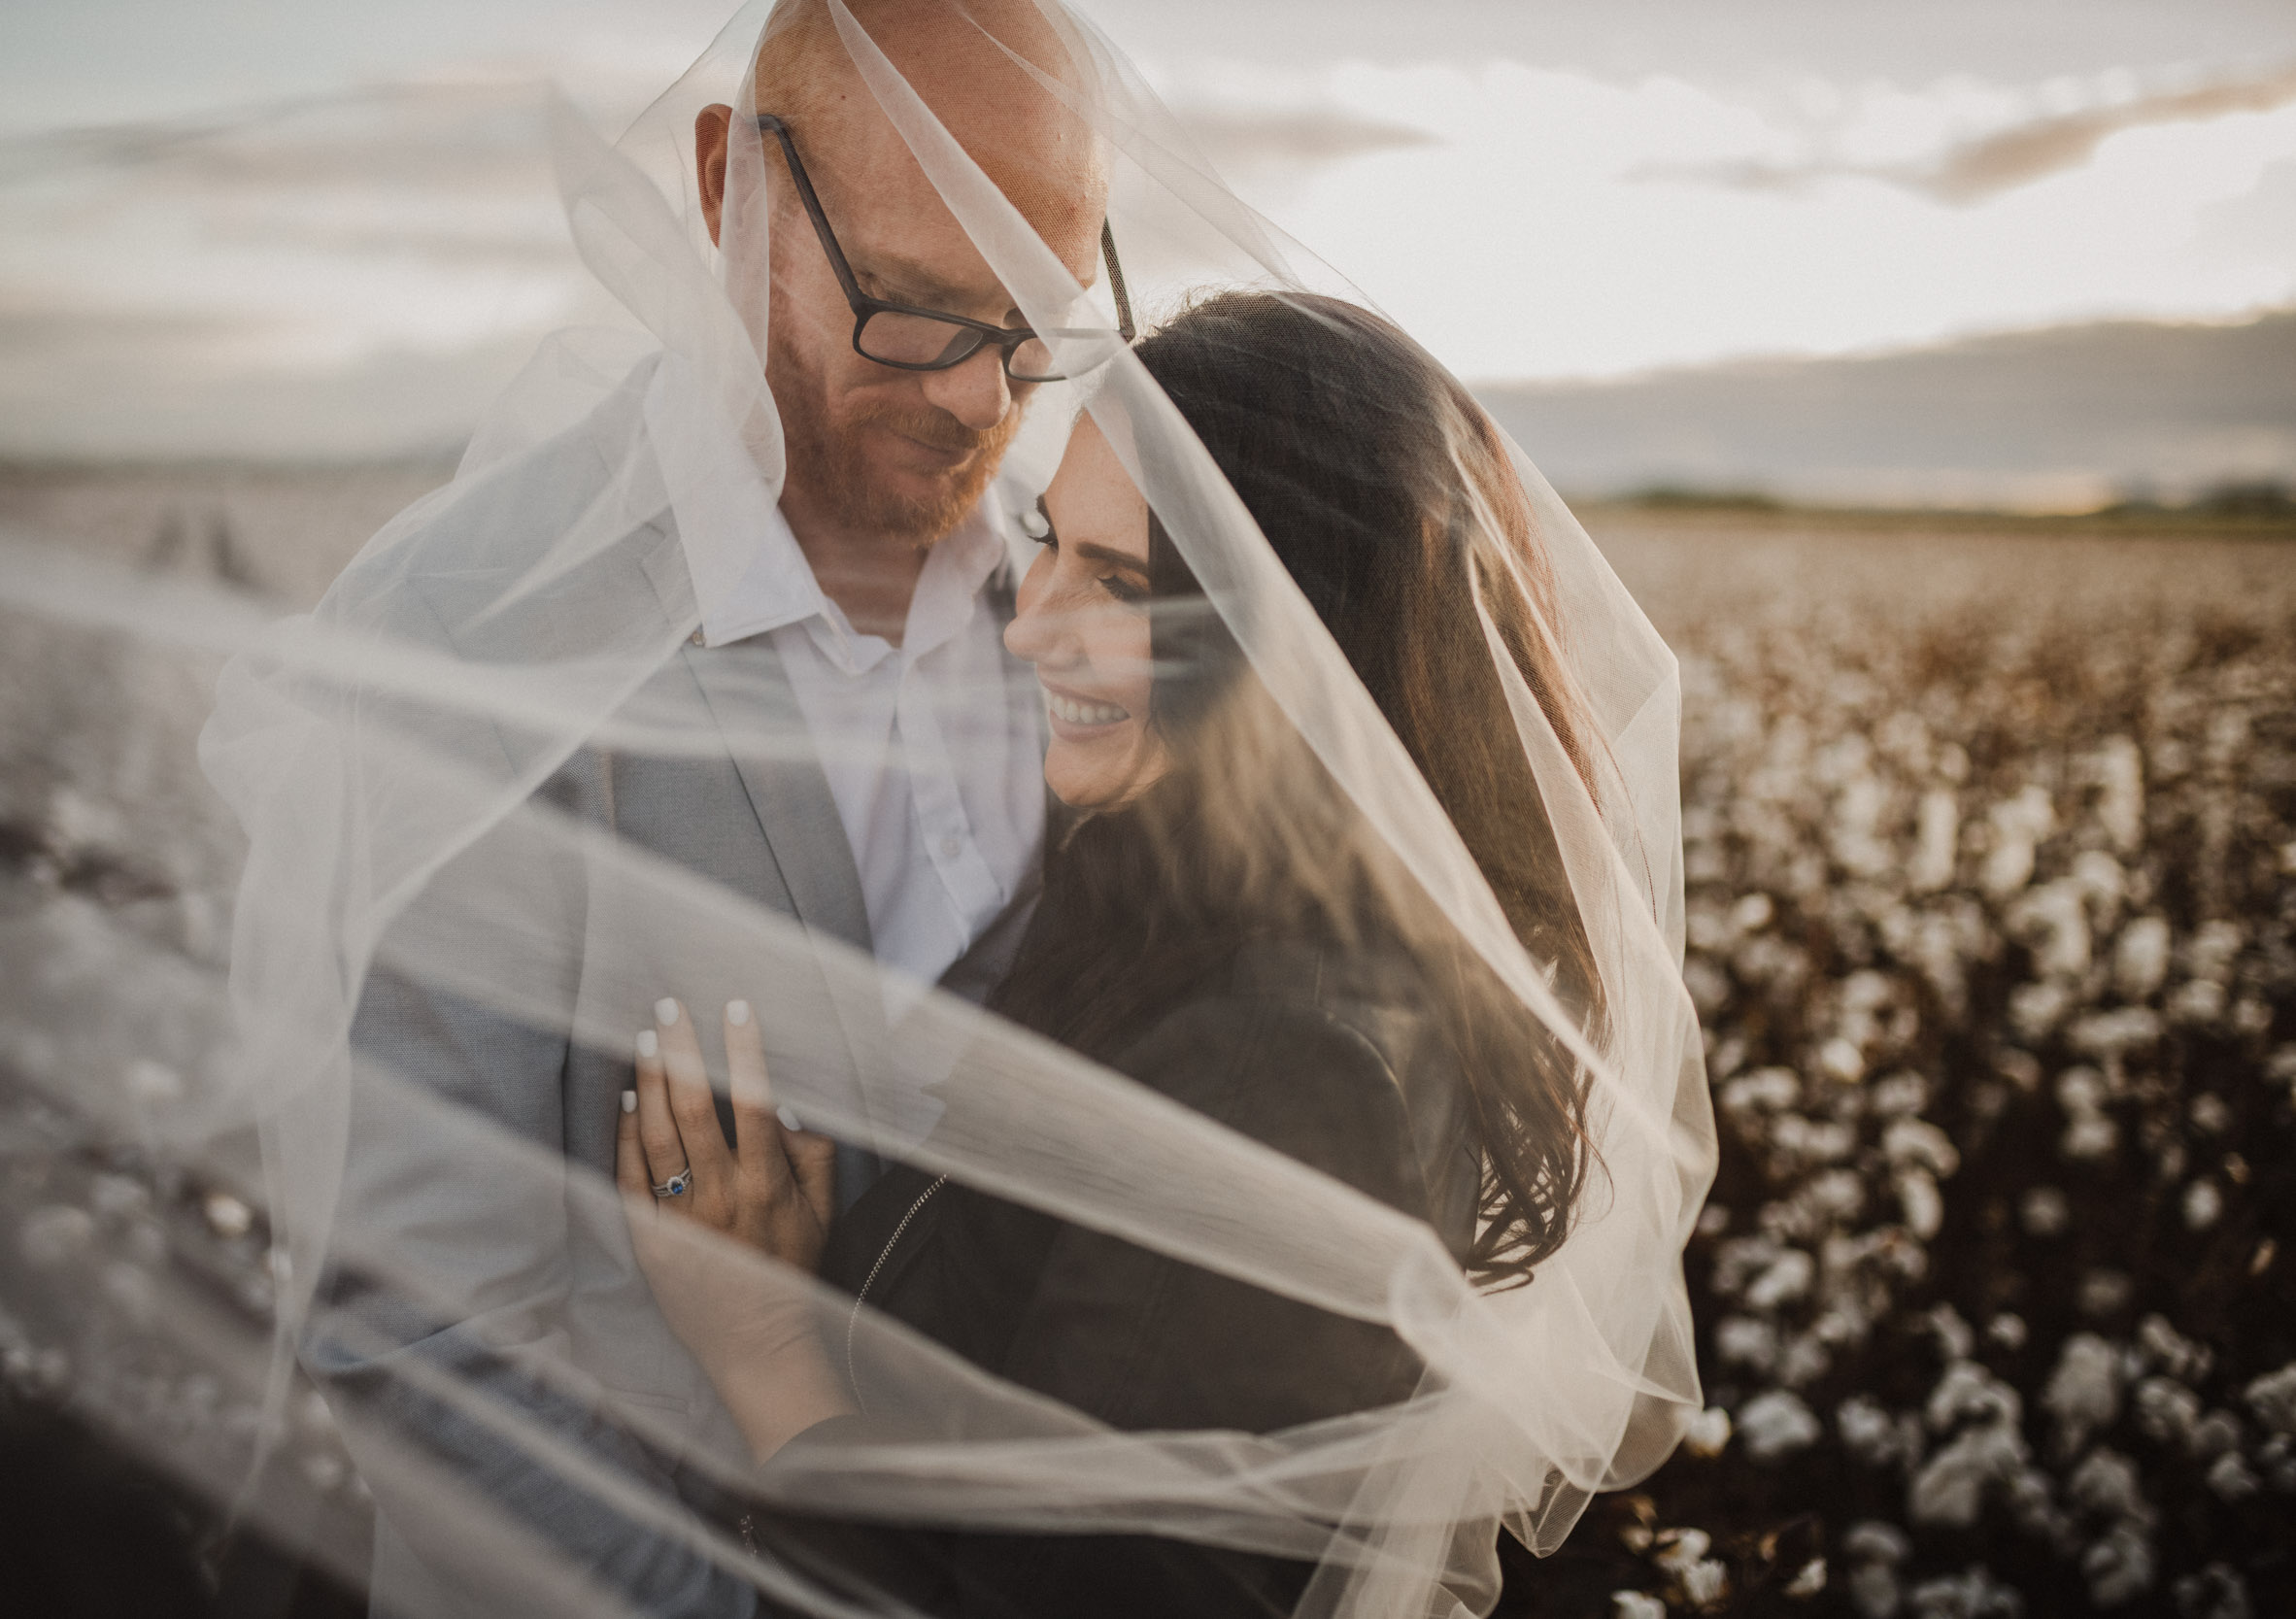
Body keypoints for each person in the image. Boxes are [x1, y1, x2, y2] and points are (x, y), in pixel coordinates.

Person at [239, 4, 1123, 1614]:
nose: (981, 394)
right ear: (732, 183)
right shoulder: (474, 634)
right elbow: (425, 1337)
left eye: (1036, 321)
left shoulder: (1089, 622)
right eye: (916, 309)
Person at [614, 289, 1609, 1615]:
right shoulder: (1176, 907)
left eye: (1123, 585)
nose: (1030, 625)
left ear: (1297, 640)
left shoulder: (1282, 1073)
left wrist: (764, 1352)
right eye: (1049, 546)